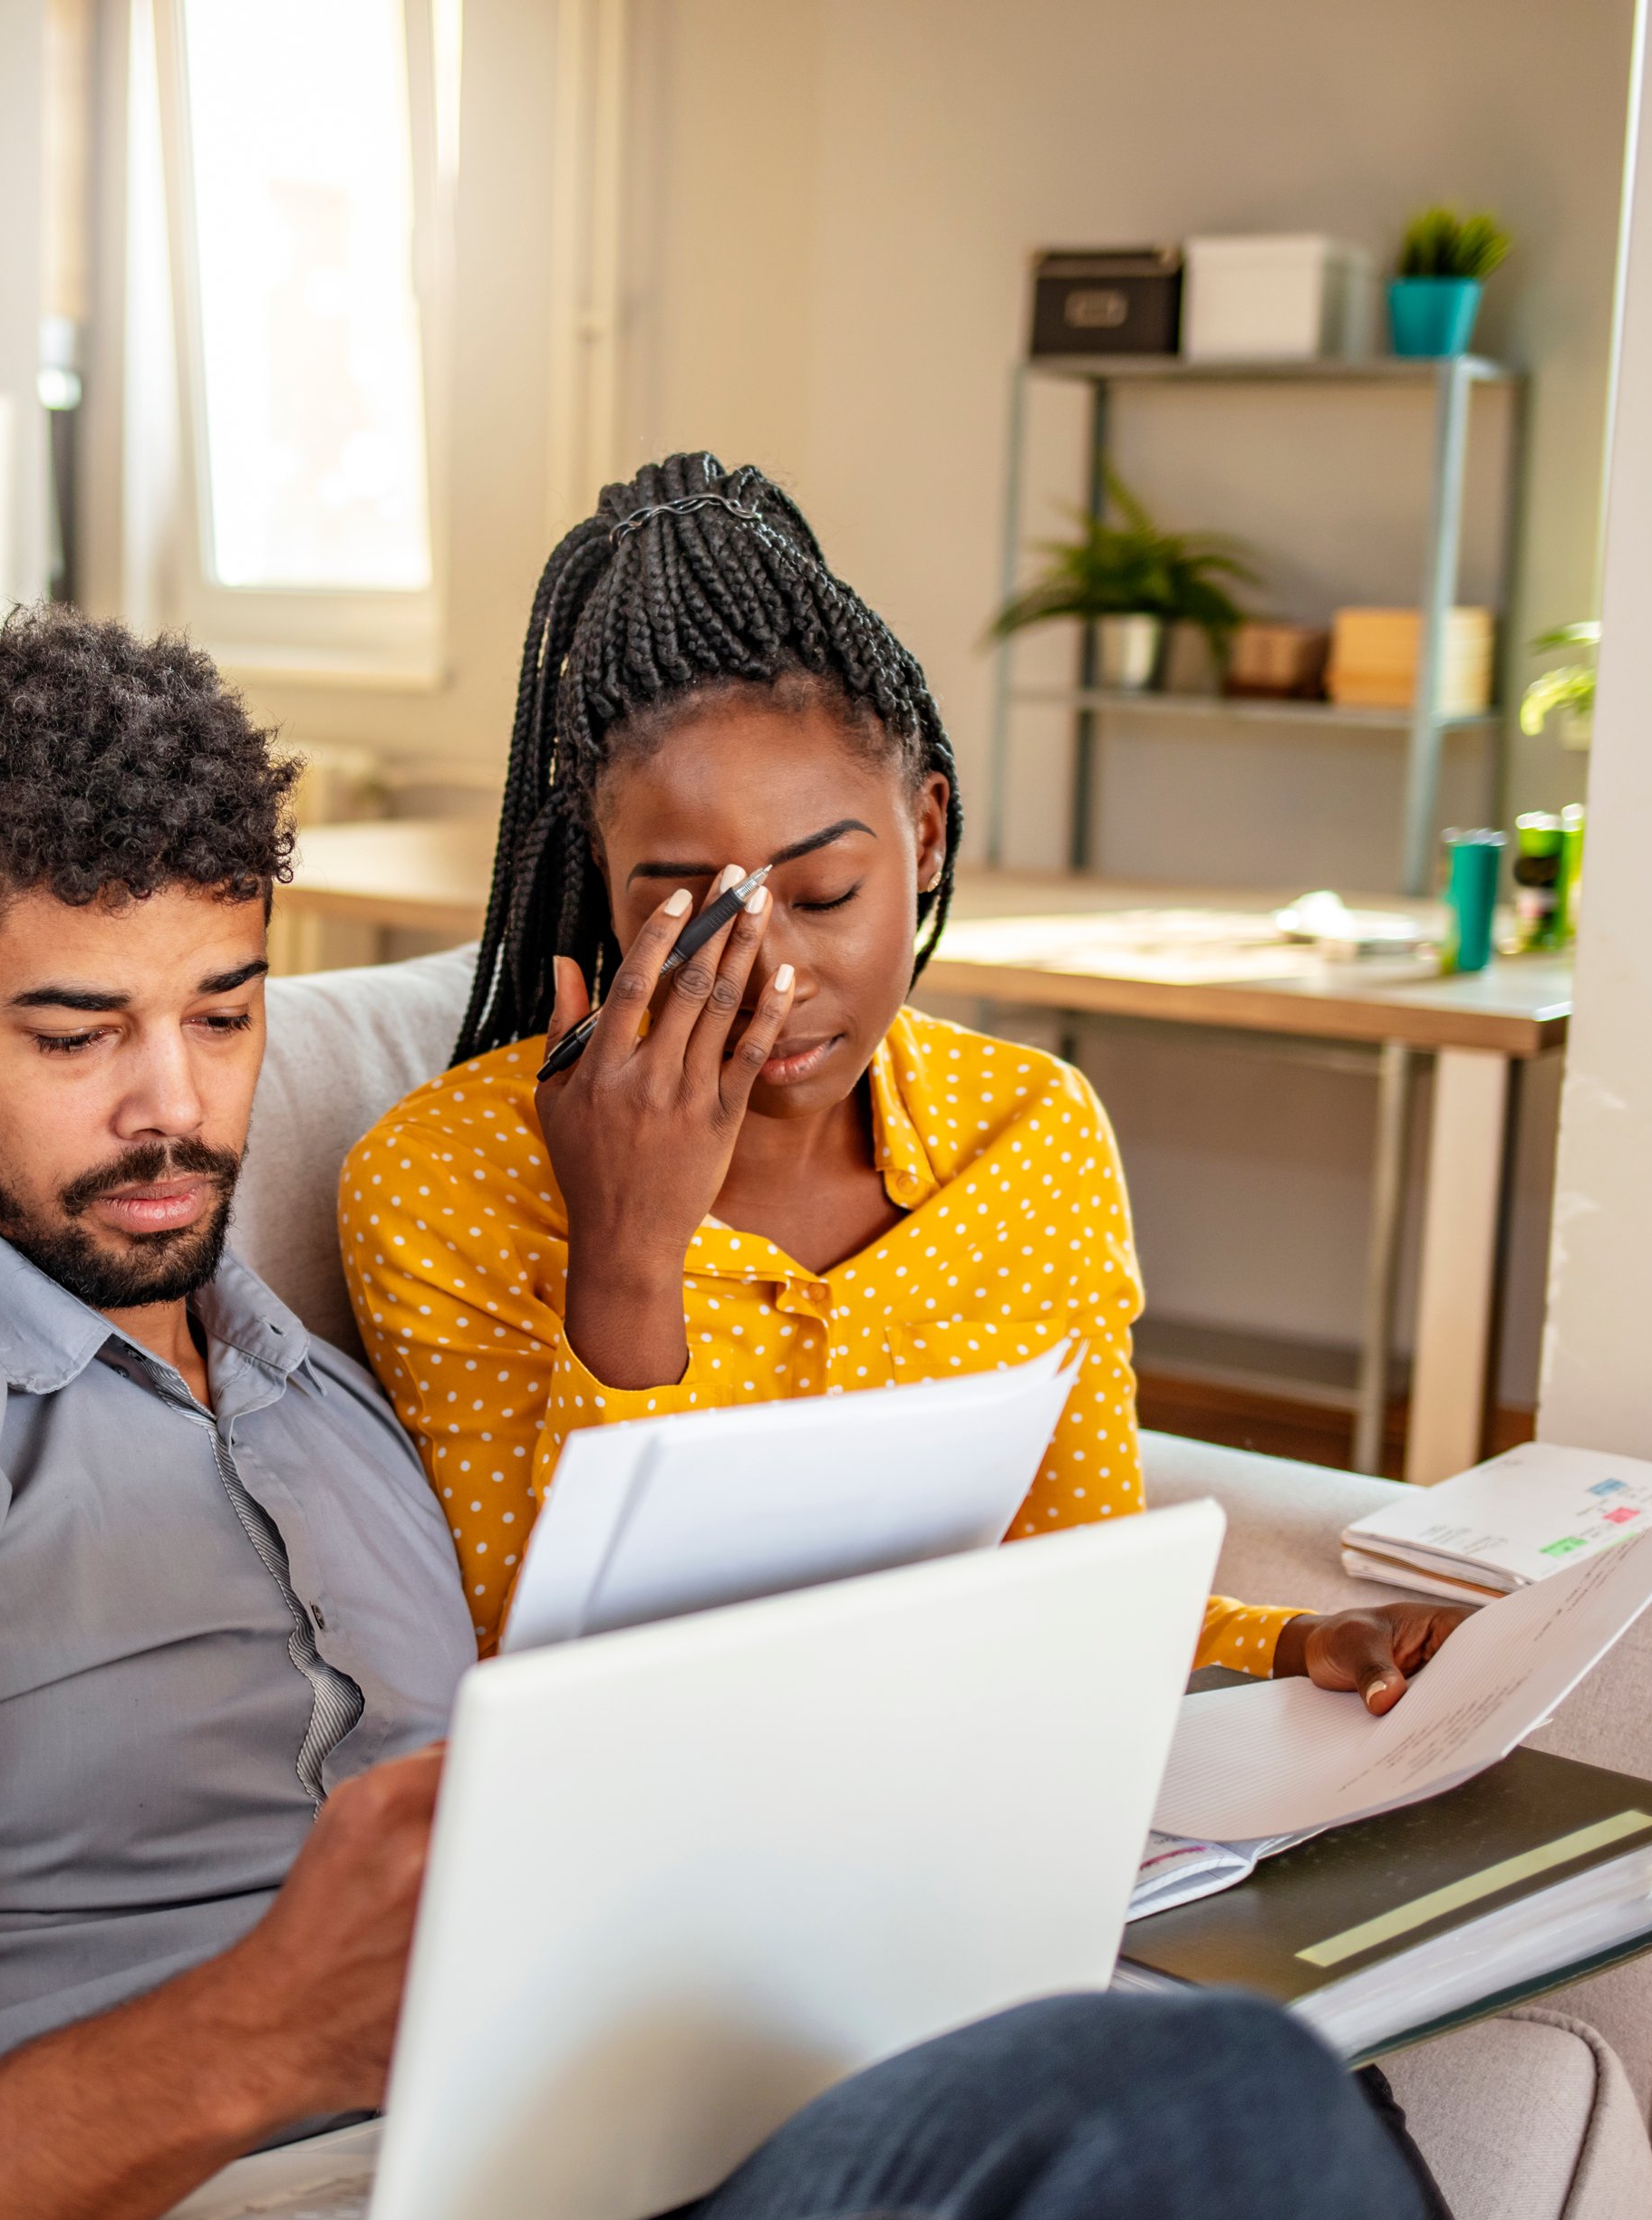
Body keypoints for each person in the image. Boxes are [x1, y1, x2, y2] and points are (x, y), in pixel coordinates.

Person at [0, 606, 1442, 2220]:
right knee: (1194, 2118)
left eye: (223, 1008)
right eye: (75, 1031)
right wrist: (254, 2034)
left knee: (1270, 2062)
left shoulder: (300, 1376)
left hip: (583, 2167)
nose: (175, 1109)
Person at [337, 454, 1470, 1710]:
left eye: (824, 895)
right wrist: (627, 1257)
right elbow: (543, 1677)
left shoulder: (1032, 1138)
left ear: (925, 833)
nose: (768, 978)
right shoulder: (439, 1182)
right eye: (684, 911)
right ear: (600, 883)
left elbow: (1067, 1583)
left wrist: (1288, 1647)